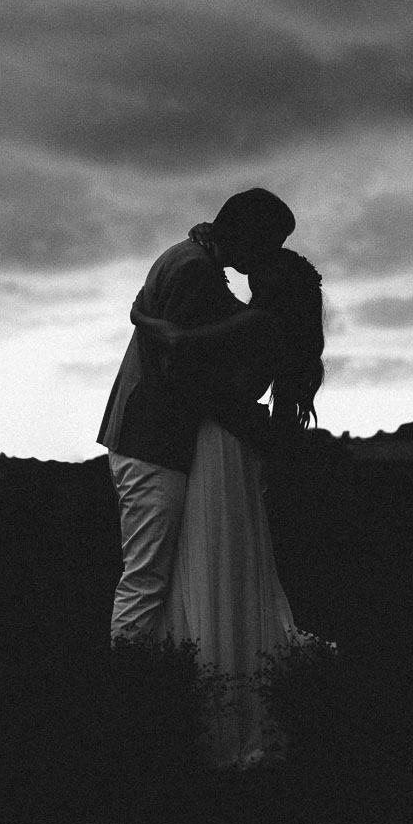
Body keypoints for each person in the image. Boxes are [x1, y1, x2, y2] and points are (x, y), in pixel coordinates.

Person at [129, 246, 332, 769]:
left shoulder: (257, 323)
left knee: (203, 566)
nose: (249, 274)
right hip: (235, 449)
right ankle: (230, 698)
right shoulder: (276, 329)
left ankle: (190, 708)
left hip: (216, 445)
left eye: (259, 272)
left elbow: (183, 349)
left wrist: (141, 314)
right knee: (231, 572)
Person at [98, 188, 296, 646]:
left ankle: (150, 682)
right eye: (273, 240)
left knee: (152, 576)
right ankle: (130, 685)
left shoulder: (192, 258)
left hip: (151, 439)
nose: (275, 252)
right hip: (150, 441)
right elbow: (184, 366)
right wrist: (251, 423)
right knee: (145, 578)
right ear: (249, 235)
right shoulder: (195, 270)